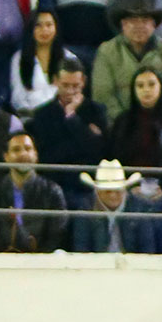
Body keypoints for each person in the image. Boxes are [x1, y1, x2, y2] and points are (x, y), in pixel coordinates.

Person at [28, 56, 108, 210]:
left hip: (87, 186)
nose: (70, 91)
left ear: (84, 81)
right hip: (52, 184)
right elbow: (46, 156)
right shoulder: (42, 115)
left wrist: (72, 118)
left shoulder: (96, 111)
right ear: (55, 80)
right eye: (65, 85)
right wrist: (84, 135)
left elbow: (98, 152)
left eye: (76, 86)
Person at [91, 0, 162, 124]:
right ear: (123, 24)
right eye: (133, 20)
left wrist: (155, 122)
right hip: (118, 127)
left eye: (145, 20)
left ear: (154, 25)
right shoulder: (106, 51)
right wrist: (126, 124)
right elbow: (102, 95)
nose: (139, 25)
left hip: (161, 125)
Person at [0, 128, 68, 250]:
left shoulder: (52, 191)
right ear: (6, 157)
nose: (23, 154)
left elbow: (57, 235)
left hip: (41, 262)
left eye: (28, 149)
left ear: (36, 155)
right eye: (16, 150)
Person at [108, 65, 162, 195]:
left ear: (161, 87)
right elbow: (115, 159)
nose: (146, 90)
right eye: (140, 86)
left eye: (151, 84)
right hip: (128, 190)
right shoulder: (122, 121)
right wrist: (128, 186)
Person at [72, 156, 157, 250]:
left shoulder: (139, 209)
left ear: (125, 190)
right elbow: (81, 249)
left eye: (118, 190)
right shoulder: (85, 209)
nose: (113, 195)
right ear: (97, 191)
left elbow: (147, 249)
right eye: (107, 191)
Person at [10, 8, 68, 116]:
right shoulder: (18, 58)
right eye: (38, 25)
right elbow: (17, 98)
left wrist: (35, 97)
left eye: (49, 25)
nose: (44, 30)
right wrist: (53, 90)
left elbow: (69, 96)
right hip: (29, 118)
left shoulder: (68, 58)